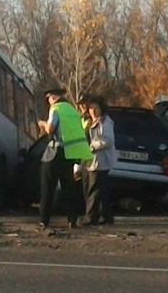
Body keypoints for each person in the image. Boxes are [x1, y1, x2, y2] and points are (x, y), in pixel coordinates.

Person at [38, 87, 93, 229]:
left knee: (47, 186)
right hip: (69, 153)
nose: (48, 102)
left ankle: (44, 221)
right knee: (68, 188)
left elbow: (50, 129)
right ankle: (72, 220)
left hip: (55, 152)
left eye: (48, 99)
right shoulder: (73, 111)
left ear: (53, 98)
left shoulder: (56, 109)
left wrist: (42, 124)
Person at [81, 95, 116, 226]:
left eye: (95, 108)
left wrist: (93, 146)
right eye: (90, 108)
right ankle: (107, 217)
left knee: (94, 189)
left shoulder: (105, 122)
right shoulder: (92, 122)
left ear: (101, 108)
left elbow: (108, 140)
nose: (93, 111)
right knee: (102, 189)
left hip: (101, 161)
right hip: (93, 160)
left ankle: (90, 217)